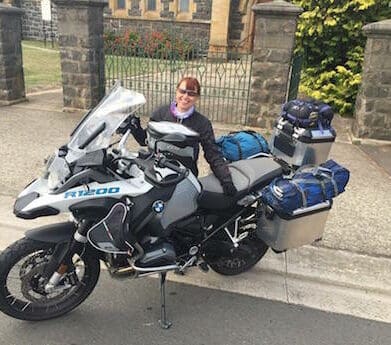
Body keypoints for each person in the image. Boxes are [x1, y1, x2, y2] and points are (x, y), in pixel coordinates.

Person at [129, 76, 237, 196]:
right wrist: (134, 128)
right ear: (176, 91)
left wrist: (226, 181)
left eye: (191, 94)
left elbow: (212, 154)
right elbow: (146, 140)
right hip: (156, 173)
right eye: (182, 91)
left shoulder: (202, 123)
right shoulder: (160, 113)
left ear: (197, 97)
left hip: (184, 177)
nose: (185, 97)